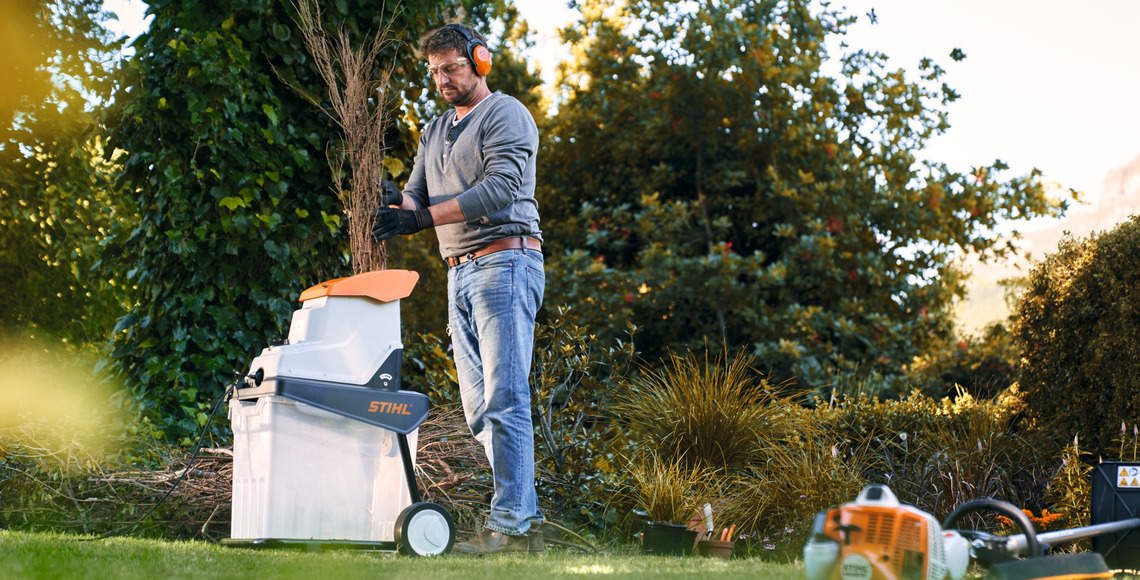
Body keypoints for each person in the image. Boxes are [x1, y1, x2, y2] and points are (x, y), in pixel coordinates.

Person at [370, 23, 545, 555]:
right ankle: (523, 520)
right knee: (478, 406)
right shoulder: (435, 129)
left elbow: (501, 188)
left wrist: (420, 220)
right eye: (434, 71)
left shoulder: (505, 113)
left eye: (451, 68)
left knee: (505, 397)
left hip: (505, 261)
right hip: (460, 270)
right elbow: (415, 198)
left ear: (479, 62)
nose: (441, 79)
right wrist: (388, 199)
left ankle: (512, 523)